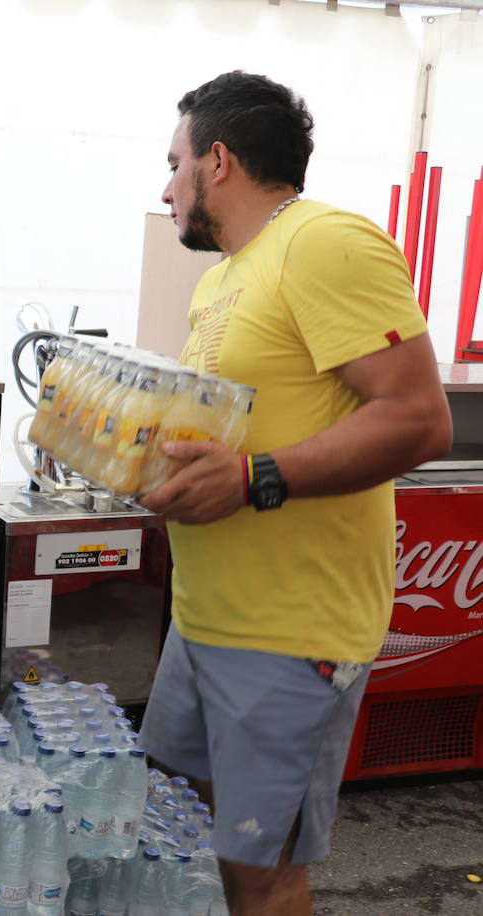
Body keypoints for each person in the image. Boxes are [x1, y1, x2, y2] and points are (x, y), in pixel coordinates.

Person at [137, 71, 452, 914]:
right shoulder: (225, 278)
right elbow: (250, 426)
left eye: (174, 164)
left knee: (262, 872)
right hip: (206, 621)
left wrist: (252, 479)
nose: (166, 187)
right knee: (193, 843)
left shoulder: (323, 242)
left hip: (288, 633)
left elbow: (421, 420)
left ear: (220, 159)